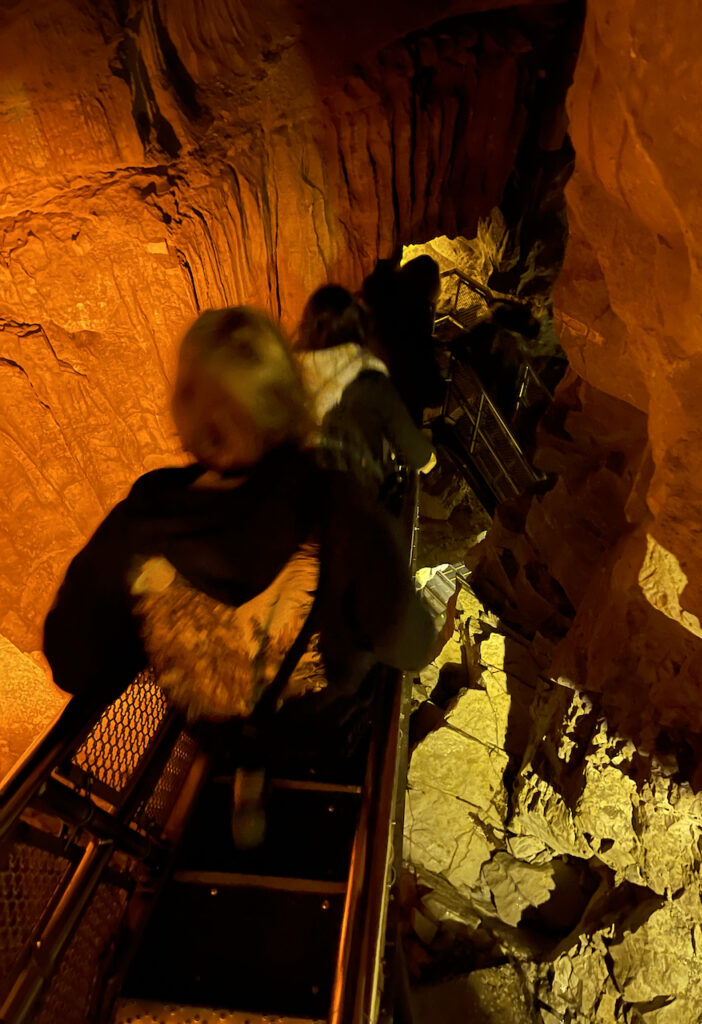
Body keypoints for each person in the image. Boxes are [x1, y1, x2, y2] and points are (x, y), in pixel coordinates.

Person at [44, 306, 436, 843]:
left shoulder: (144, 519)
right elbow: (408, 645)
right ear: (285, 398)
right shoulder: (337, 499)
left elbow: (72, 662)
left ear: (186, 410)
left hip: (214, 732)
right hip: (329, 734)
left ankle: (247, 764)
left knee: (243, 711)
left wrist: (150, 627)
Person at [295, 284, 435, 505]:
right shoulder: (369, 377)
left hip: (301, 494)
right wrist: (427, 458)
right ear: (356, 325)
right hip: (352, 497)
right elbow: (408, 441)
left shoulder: (290, 371)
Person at [363, 255, 445, 426]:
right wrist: (439, 390)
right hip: (397, 404)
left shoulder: (383, 301)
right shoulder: (416, 320)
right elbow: (419, 360)